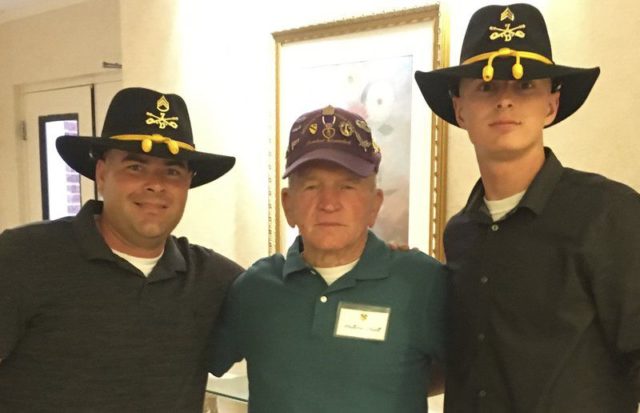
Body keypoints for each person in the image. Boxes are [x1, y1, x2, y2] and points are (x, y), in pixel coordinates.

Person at [414, 3, 640, 412]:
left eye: (524, 87)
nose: (504, 101)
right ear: (460, 109)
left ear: (550, 106)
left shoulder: (609, 214)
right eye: (486, 86)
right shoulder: (460, 233)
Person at [0, 87, 244, 412]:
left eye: (171, 171)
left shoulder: (216, 281)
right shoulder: (21, 258)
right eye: (135, 167)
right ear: (102, 174)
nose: (155, 184)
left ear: (187, 183)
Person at [208, 105, 447, 413]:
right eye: (311, 186)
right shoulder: (254, 288)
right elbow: (192, 363)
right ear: (288, 204)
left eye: (347, 186)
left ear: (375, 204)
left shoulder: (422, 282)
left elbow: (465, 371)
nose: (329, 203)